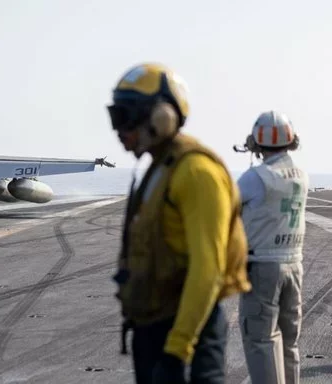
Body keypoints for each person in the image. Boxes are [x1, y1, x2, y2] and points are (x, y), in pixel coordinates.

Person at [109, 62, 252, 384]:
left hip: (187, 335)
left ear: (161, 116)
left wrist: (177, 351)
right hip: (155, 325)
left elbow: (208, 270)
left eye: (125, 117)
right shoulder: (160, 167)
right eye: (114, 117)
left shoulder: (197, 172)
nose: (119, 129)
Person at [236, 111, 308, 384]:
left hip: (263, 267)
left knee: (261, 341)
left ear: (256, 143)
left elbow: (225, 207)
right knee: (289, 343)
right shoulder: (301, 175)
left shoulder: (256, 177)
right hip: (294, 265)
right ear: (292, 141)